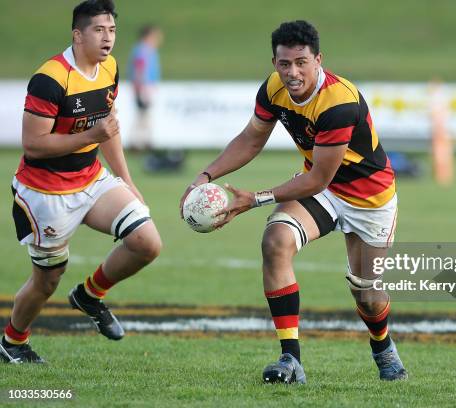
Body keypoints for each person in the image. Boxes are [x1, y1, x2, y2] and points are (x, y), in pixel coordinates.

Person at [180, 20, 406, 383]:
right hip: (323, 193)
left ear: (319, 59)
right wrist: (205, 176)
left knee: (367, 294)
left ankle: (383, 346)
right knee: (275, 241)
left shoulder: (339, 103)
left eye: (301, 62)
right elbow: (251, 139)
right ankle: (291, 359)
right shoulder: (274, 89)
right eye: (284, 64)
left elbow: (319, 177)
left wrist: (252, 199)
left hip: (368, 198)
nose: (293, 72)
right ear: (274, 62)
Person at [1, 0, 162, 364]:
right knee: (47, 281)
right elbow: (33, 143)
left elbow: (110, 130)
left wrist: (126, 179)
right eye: (99, 30)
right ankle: (12, 341)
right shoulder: (50, 78)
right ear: (78, 35)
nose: (108, 39)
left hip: (91, 179)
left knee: (146, 242)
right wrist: (92, 132)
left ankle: (89, 295)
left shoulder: (111, 68)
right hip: (46, 192)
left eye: (113, 30)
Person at [128, 24, 185, 172]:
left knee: (143, 117)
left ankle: (140, 145)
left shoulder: (146, 50)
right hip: (144, 86)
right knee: (143, 117)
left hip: (146, 86)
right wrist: (141, 88)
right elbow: (140, 69)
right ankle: (140, 146)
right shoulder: (143, 49)